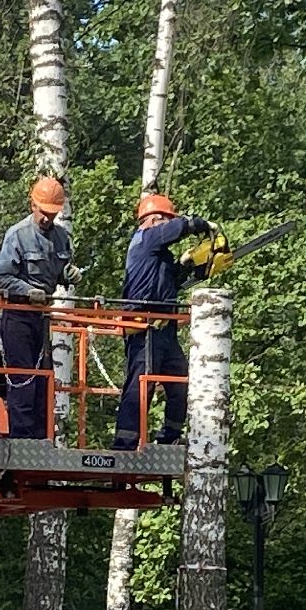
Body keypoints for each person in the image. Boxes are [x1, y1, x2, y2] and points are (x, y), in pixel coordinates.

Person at [111, 193, 216, 450]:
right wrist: (200, 224)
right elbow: (179, 228)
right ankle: (125, 440)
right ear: (153, 220)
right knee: (140, 386)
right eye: (164, 221)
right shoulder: (145, 239)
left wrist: (189, 265)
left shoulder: (160, 255)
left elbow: (169, 283)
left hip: (164, 330)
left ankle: (170, 435)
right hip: (144, 326)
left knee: (180, 382)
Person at [0, 176, 77, 438]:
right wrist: (28, 292)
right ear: (33, 206)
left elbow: (59, 271)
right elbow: (1, 277)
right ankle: (22, 440)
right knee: (23, 379)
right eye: (44, 212)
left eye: (53, 213)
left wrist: (69, 274)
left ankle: (41, 438)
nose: (47, 218)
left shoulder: (62, 237)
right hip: (17, 317)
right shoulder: (17, 235)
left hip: (41, 320)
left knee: (43, 380)